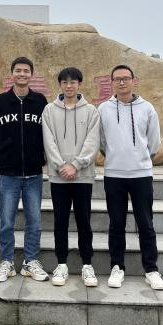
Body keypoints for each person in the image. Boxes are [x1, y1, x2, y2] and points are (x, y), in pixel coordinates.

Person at [98, 65, 163, 290]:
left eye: (126, 78)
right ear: (112, 82)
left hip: (141, 174)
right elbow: (101, 141)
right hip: (114, 174)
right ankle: (117, 267)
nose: (122, 82)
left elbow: (154, 141)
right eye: (117, 79)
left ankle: (151, 269)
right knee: (116, 223)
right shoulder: (104, 109)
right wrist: (114, 157)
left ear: (134, 80)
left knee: (146, 223)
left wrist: (141, 158)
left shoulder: (147, 108)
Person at [0, 57, 49, 282]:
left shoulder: (40, 101)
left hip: (33, 173)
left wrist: (40, 154)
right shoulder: (1, 101)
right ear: (12, 74)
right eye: (18, 70)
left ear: (31, 74)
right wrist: (4, 153)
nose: (22, 74)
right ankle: (7, 262)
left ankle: (31, 261)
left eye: (26, 71)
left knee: (34, 221)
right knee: (6, 222)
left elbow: (47, 131)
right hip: (8, 174)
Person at [41, 67, 100, 287]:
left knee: (84, 221)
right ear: (60, 84)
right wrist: (61, 166)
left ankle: (87, 265)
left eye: (73, 82)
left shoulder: (91, 111)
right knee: (60, 221)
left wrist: (75, 165)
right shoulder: (49, 110)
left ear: (79, 84)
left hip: (83, 176)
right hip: (59, 178)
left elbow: (92, 142)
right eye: (65, 82)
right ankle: (62, 264)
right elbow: (48, 141)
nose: (69, 86)